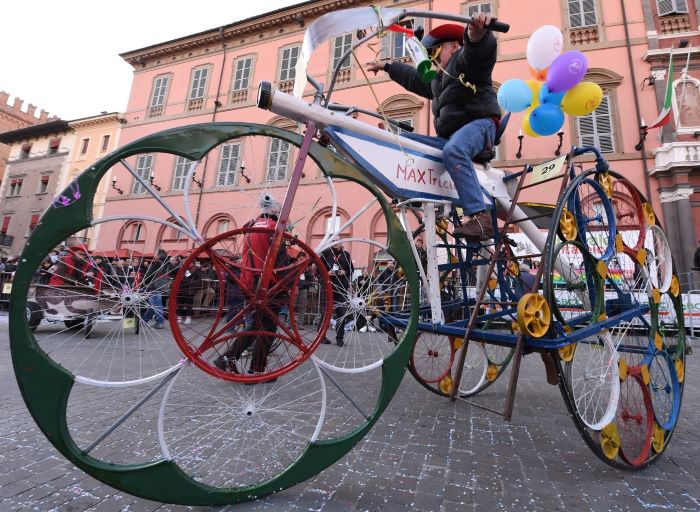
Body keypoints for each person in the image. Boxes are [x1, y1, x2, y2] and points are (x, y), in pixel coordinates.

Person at [367, 13, 500, 240]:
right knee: (405, 142)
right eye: (429, 56)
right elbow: (414, 78)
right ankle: (413, 189)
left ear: (455, 47)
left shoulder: (465, 62)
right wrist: (387, 66)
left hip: (481, 125)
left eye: (435, 53)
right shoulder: (438, 81)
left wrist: (476, 33)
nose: (432, 61)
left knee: (454, 150)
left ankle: (479, 217)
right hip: (451, 137)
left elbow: (480, 52)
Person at [213, 198, 287, 377]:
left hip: (248, 282)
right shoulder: (273, 228)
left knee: (256, 324)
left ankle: (228, 359)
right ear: (276, 212)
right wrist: (287, 285)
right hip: (268, 284)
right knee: (267, 329)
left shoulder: (251, 227)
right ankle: (256, 369)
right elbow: (281, 261)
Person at [321, 242, 354, 347]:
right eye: (334, 241)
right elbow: (318, 267)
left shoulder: (346, 254)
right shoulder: (326, 253)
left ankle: (340, 338)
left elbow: (351, 269)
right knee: (326, 313)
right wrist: (326, 272)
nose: (336, 243)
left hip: (341, 287)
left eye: (338, 241)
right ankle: (321, 337)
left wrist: (345, 272)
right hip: (328, 286)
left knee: (341, 314)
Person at [142, 248, 171, 329]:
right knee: (152, 304)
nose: (154, 255)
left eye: (155, 254)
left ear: (158, 255)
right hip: (164, 286)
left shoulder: (157, 263)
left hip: (155, 286)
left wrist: (145, 282)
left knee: (157, 305)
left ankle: (159, 322)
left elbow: (151, 274)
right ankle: (144, 320)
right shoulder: (168, 264)